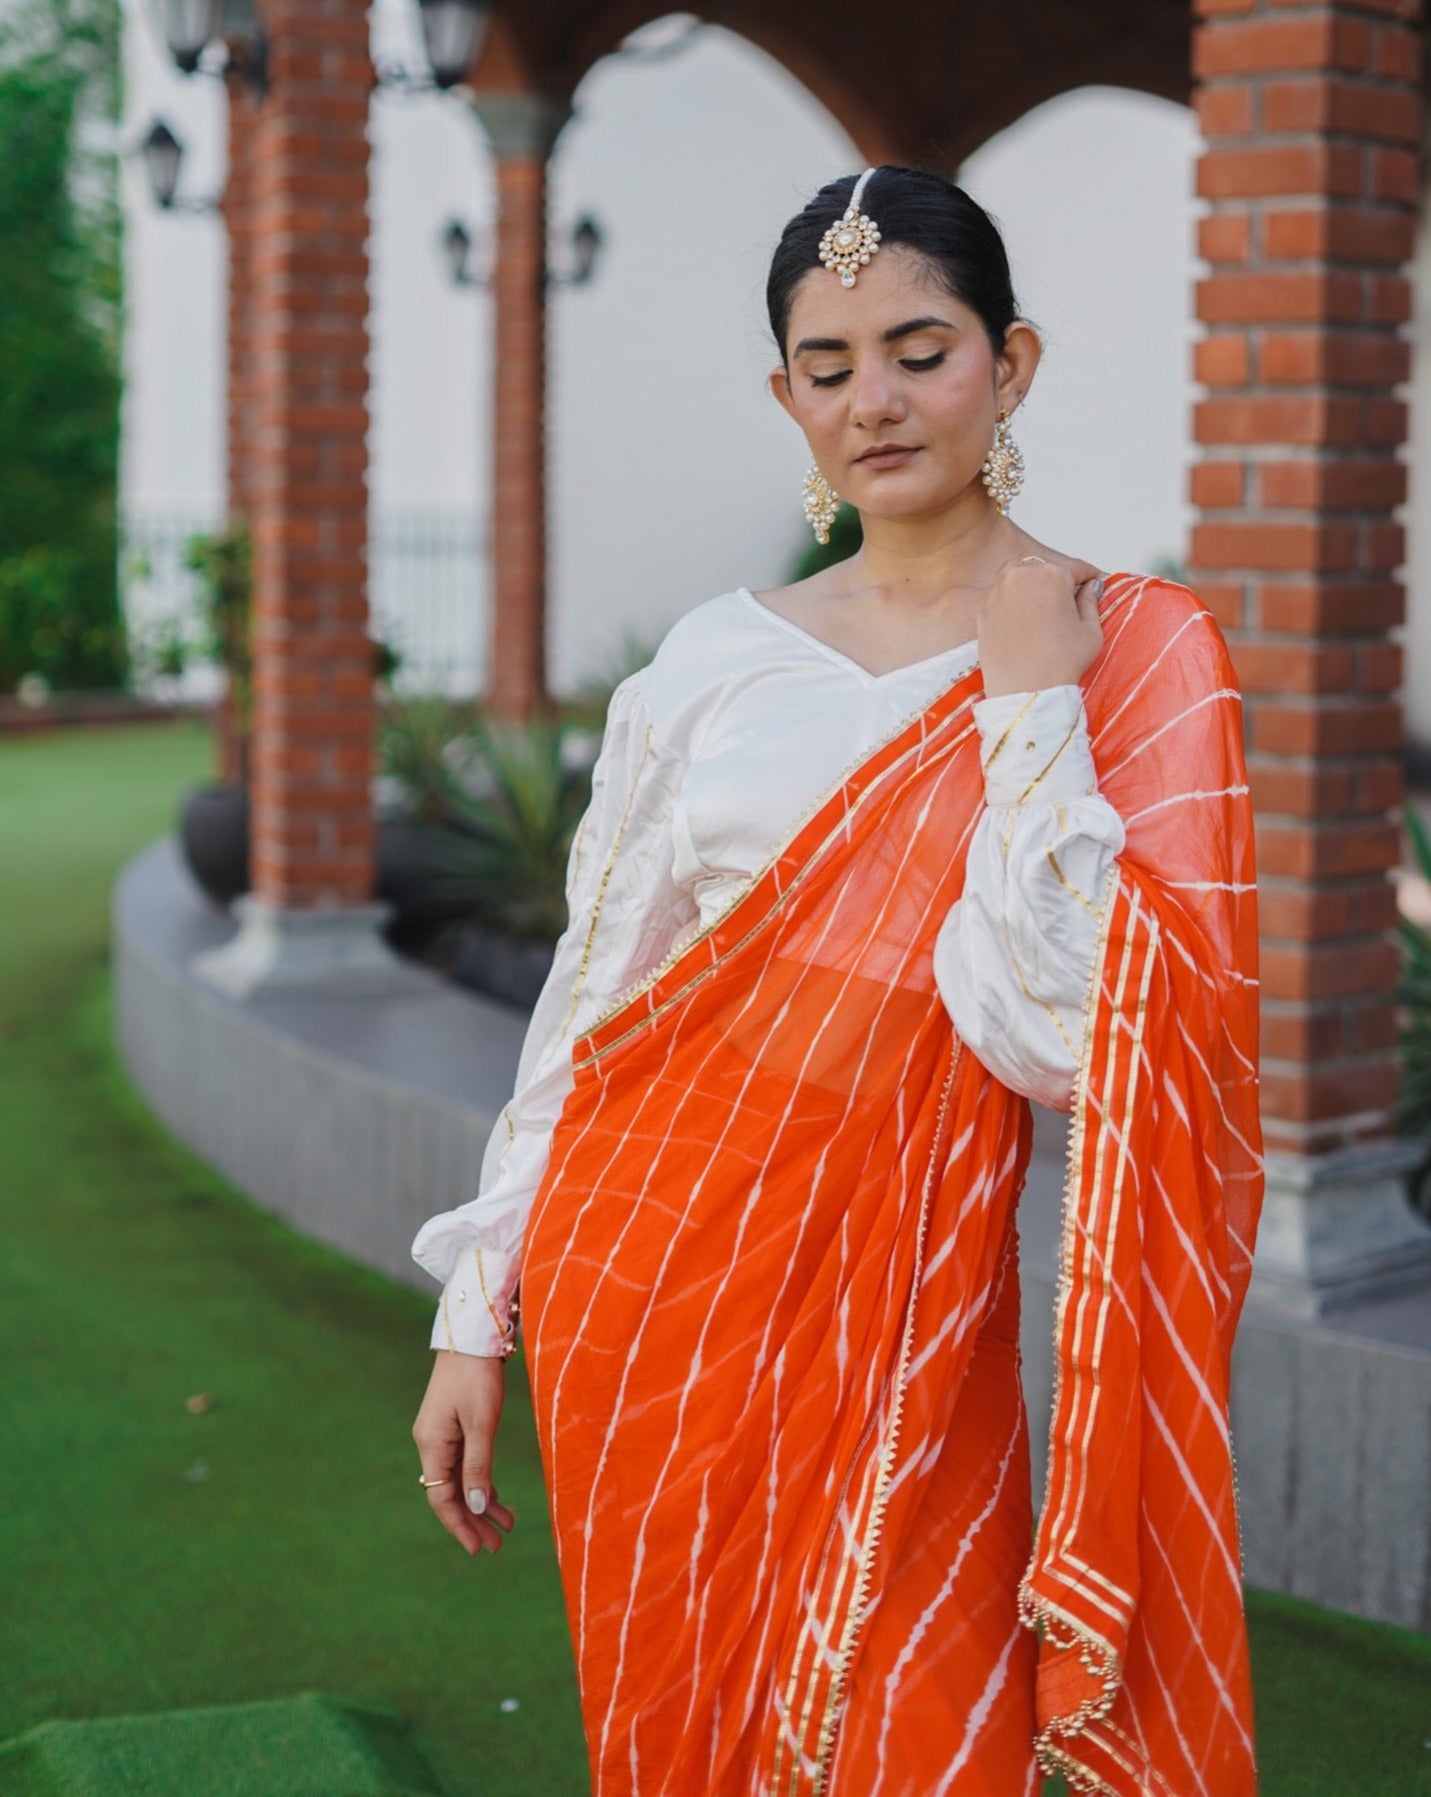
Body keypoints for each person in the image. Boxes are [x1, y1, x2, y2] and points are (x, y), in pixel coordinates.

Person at [409, 164, 1264, 1796]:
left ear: (1013, 363)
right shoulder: (712, 665)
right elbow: (594, 1003)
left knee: (918, 1714)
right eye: (828, 364)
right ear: (785, 395)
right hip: (648, 1283)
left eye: (919, 348)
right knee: (693, 1723)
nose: (873, 398)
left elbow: (1080, 1035)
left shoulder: (1131, 652)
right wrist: (477, 1314)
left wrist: (1029, 713)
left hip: (914, 1306)